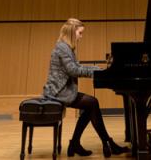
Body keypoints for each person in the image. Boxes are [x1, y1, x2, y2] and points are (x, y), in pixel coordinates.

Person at [43, 18, 129, 157]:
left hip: (63, 90)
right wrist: (98, 72)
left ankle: (78, 143)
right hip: (59, 92)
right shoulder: (62, 48)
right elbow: (73, 71)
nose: (81, 36)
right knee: (92, 103)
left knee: (91, 106)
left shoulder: (66, 47)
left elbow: (77, 67)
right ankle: (106, 143)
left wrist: (98, 69)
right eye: (80, 33)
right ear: (72, 32)